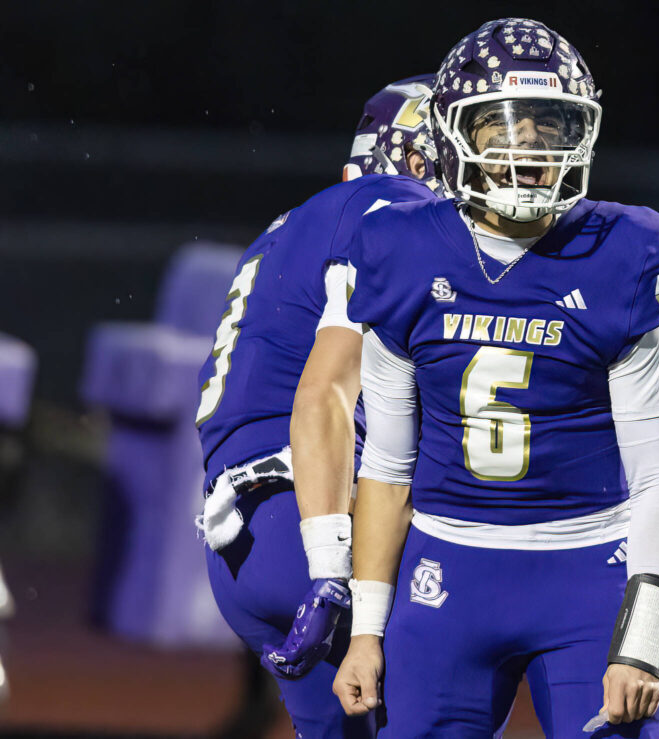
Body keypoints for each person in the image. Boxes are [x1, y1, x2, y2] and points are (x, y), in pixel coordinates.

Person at [337, 18, 659, 738]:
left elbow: (656, 470)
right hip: (447, 574)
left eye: (551, 126)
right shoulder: (402, 250)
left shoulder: (621, 254)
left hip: (588, 569)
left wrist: (642, 634)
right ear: (452, 131)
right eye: (505, 125)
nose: (529, 150)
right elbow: (386, 464)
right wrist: (367, 627)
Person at [195, 75, 439, 739]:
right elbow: (328, 393)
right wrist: (330, 563)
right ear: (421, 161)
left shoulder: (287, 229)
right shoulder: (394, 207)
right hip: (312, 515)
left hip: (239, 540)